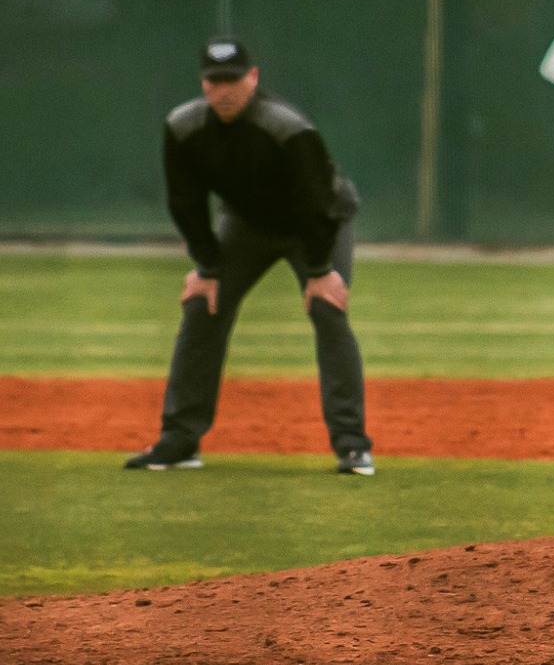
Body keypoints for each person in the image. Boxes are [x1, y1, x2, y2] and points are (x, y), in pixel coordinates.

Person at [124, 38, 375, 476]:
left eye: (233, 80)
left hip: (316, 224)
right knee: (203, 306)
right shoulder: (184, 127)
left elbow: (318, 202)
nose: (224, 90)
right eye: (214, 80)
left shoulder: (286, 127)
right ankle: (180, 439)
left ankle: (353, 447)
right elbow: (185, 202)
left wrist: (319, 270)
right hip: (247, 225)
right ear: (203, 82)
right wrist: (207, 266)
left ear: (253, 78)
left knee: (327, 309)